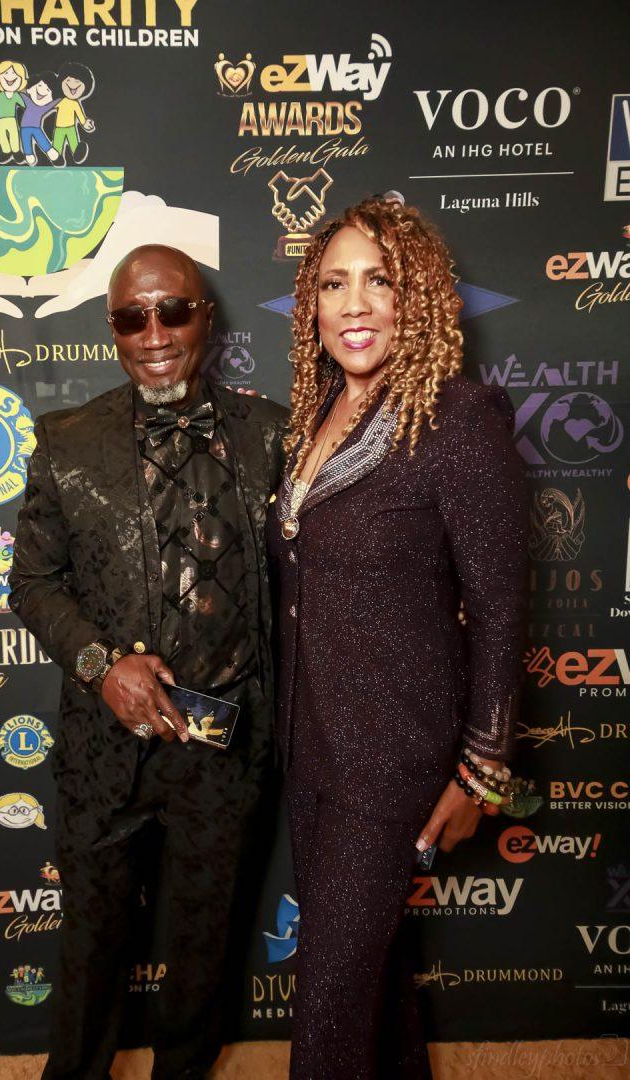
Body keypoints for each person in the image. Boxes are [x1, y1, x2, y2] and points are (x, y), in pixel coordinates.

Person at [9, 244, 288, 1080]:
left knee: (205, 946)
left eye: (173, 311)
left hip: (224, 747)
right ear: (114, 330)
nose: (155, 334)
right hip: (106, 750)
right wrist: (102, 665)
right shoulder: (66, 442)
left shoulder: (272, 436)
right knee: (91, 946)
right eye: (134, 318)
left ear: (207, 317)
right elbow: (32, 582)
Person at [267, 194, 529, 1079]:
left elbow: (499, 609)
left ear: (416, 298)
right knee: (372, 990)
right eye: (333, 283)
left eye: (379, 282)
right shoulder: (315, 416)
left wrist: (482, 766)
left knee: (328, 1013)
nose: (354, 305)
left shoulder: (458, 423)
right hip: (311, 746)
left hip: (390, 759)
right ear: (310, 303)